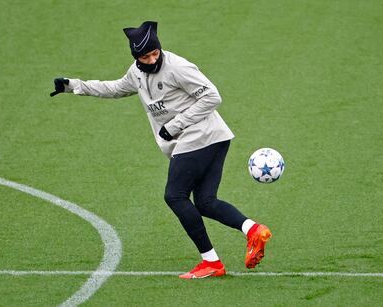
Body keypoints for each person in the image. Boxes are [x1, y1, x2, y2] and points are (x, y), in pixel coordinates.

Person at [50, 21, 271, 279]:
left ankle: (211, 262)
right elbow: (114, 89)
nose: (153, 59)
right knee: (206, 202)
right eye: (146, 56)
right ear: (136, 57)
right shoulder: (136, 73)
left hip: (200, 136)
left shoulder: (177, 67)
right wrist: (73, 85)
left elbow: (212, 96)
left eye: (156, 53)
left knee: (175, 196)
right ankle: (253, 230)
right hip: (214, 138)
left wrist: (174, 126)